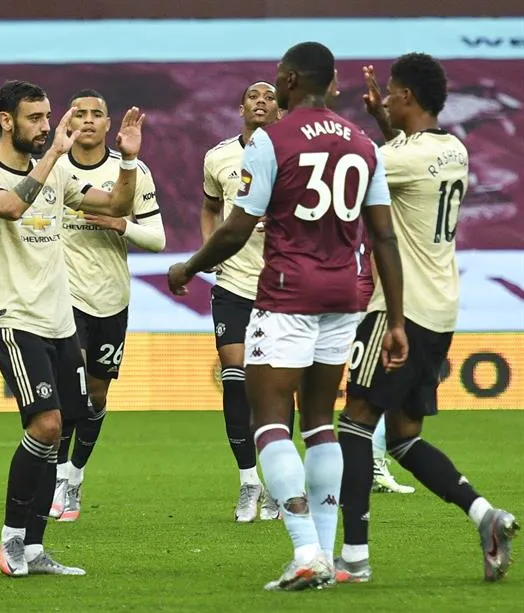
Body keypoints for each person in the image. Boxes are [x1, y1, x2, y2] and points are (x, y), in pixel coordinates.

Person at [167, 41, 408, 591]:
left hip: (287, 293)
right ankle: (325, 552)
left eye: (279, 76)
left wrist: (188, 267)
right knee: (321, 420)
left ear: (293, 80)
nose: (275, 84)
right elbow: (385, 235)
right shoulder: (364, 143)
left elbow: (232, 228)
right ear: (336, 83)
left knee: (270, 419)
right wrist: (394, 319)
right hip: (348, 294)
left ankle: (304, 551)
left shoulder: (272, 142)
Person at [336, 54, 518, 584]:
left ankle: (353, 557)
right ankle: (486, 516)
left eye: (390, 93)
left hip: (399, 310)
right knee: (404, 437)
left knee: (354, 421)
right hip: (440, 310)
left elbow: (356, 169)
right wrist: (383, 120)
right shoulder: (452, 149)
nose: (384, 99)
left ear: (408, 97)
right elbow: (402, 151)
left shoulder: (397, 158)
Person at [0, 80, 144, 577]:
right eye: (35, 117)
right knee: (45, 425)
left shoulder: (58, 176)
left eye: (48, 116)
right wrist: (53, 156)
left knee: (62, 428)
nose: (47, 125)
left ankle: (33, 548)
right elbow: (8, 208)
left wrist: (130, 161)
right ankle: (10, 542)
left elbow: (116, 205)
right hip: (13, 318)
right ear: (7, 120)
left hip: (59, 322)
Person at [49, 88, 166, 523]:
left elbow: (157, 240)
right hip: (64, 296)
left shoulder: (131, 171)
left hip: (111, 299)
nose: (88, 119)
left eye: (97, 113)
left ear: (108, 124)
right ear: (68, 121)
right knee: (69, 386)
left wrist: (121, 223)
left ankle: (75, 475)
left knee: (96, 395)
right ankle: (58, 474)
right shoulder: (53, 168)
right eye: (79, 112)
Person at [200, 81, 285, 523]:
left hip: (281, 287)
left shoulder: (293, 153)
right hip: (233, 283)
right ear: (241, 108)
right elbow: (210, 206)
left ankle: (277, 483)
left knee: (272, 388)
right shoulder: (219, 157)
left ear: (279, 108)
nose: (260, 101)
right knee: (234, 380)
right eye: (253, 96)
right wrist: (210, 250)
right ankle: (249, 481)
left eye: (269, 96)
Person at [356, 230, 414, 494]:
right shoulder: (385, 216)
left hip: (353, 304)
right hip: (370, 307)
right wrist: (391, 315)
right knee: (391, 388)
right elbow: (379, 255)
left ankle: (366, 465)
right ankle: (373, 464)